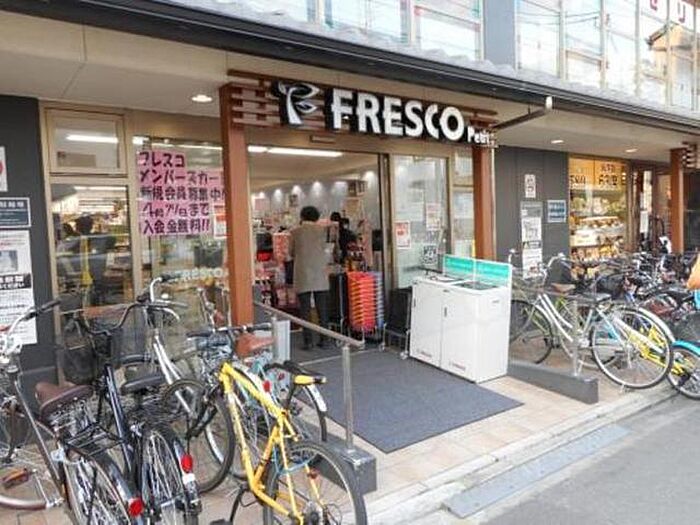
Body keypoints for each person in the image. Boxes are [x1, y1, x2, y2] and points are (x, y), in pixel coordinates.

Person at [290, 206, 331, 350]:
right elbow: (327, 249)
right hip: (320, 273)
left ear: (302, 217)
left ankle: (308, 342)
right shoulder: (322, 231)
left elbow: (291, 252)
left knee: (305, 309)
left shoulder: (295, 232)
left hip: (303, 273)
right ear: (316, 217)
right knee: (322, 308)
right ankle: (324, 339)